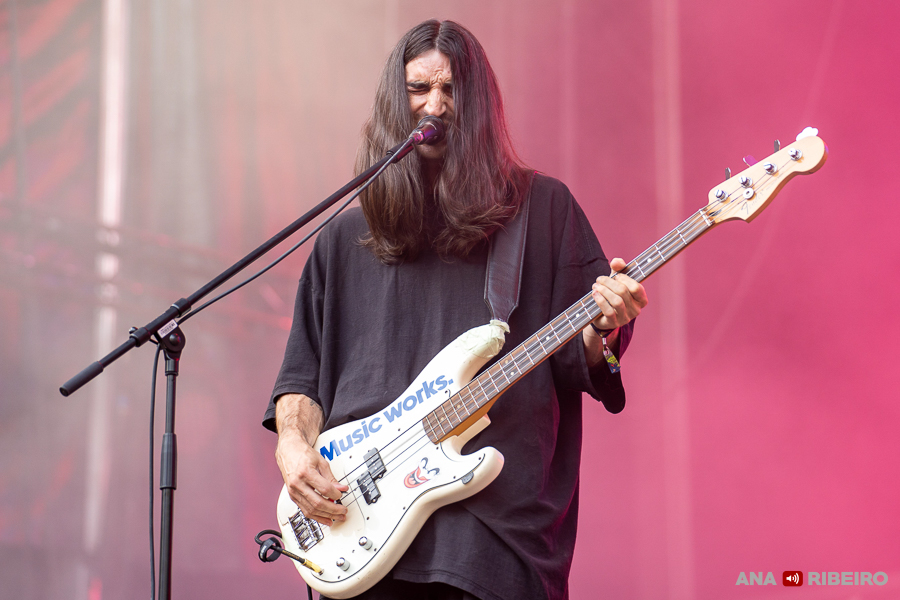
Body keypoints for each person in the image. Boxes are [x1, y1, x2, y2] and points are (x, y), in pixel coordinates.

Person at [263, 19, 648, 600]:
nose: (435, 105)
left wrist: (604, 325)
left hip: (489, 539)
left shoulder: (542, 210)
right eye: (419, 89)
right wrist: (292, 448)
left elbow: (583, 354)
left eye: (452, 89)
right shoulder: (343, 238)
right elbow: (300, 383)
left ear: (481, 105)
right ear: (395, 103)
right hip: (358, 533)